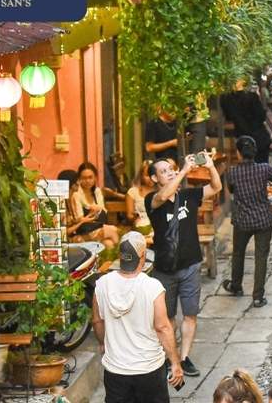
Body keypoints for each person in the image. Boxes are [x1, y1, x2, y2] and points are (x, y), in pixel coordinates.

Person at [145, 152, 222, 377]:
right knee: (167, 318)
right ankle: (172, 357)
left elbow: (215, 187)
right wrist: (184, 172)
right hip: (164, 270)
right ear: (154, 179)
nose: (169, 173)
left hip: (190, 266)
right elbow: (164, 196)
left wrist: (210, 167)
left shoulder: (188, 195)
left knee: (190, 315)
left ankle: (185, 357)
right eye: (164, 172)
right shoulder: (152, 200)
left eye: (171, 169)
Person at [93, 231, 184, 403]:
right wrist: (175, 363)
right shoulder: (152, 287)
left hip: (116, 370)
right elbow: (163, 328)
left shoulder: (102, 284)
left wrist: (103, 343)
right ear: (142, 257)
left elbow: (97, 321)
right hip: (149, 369)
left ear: (121, 257)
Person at [223, 136, 272, 306]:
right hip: (263, 219)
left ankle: (236, 285)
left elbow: (231, 189)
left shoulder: (232, 173)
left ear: (238, 153)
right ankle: (258, 296)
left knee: (238, 253)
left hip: (242, 220)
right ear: (255, 152)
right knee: (261, 257)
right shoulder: (264, 169)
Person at [72, 162, 121, 249]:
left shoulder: (96, 192)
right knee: (113, 230)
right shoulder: (76, 195)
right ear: (79, 179)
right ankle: (123, 258)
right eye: (84, 178)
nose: (87, 181)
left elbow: (103, 211)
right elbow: (79, 219)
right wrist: (93, 213)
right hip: (85, 232)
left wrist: (97, 210)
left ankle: (110, 261)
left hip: (98, 228)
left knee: (109, 244)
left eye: (90, 177)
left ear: (95, 178)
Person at [220, 85, 272, 164]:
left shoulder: (225, 98)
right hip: (259, 138)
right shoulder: (253, 97)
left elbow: (228, 117)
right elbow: (261, 116)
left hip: (242, 138)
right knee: (262, 167)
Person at [126, 160, 156, 237]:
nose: (150, 178)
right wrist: (135, 218)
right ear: (141, 176)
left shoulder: (162, 192)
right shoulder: (133, 192)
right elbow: (129, 214)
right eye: (147, 175)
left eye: (153, 175)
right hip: (140, 228)